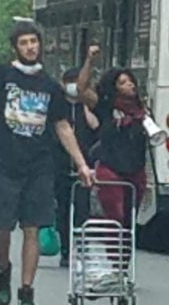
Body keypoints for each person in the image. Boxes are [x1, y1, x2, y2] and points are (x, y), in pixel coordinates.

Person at [0, 12, 92, 305]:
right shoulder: (3, 75)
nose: (30, 47)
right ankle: (3, 268)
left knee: (32, 228)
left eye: (34, 42)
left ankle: (26, 290)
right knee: (1, 228)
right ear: (15, 48)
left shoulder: (50, 86)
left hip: (39, 167)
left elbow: (61, 126)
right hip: (5, 165)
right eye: (24, 43)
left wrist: (81, 163)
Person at [76, 46, 148, 227]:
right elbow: (82, 89)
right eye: (123, 82)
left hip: (136, 170)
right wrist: (90, 61)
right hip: (111, 168)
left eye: (131, 81)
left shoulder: (141, 109)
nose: (130, 84)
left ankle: (124, 254)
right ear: (113, 87)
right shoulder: (105, 106)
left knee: (130, 220)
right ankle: (114, 253)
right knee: (115, 216)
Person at [56, 68, 100, 268]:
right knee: (63, 210)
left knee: (82, 210)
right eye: (70, 82)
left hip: (84, 169)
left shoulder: (86, 107)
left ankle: (82, 248)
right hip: (61, 167)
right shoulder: (59, 107)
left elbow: (95, 126)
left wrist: (85, 107)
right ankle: (65, 250)